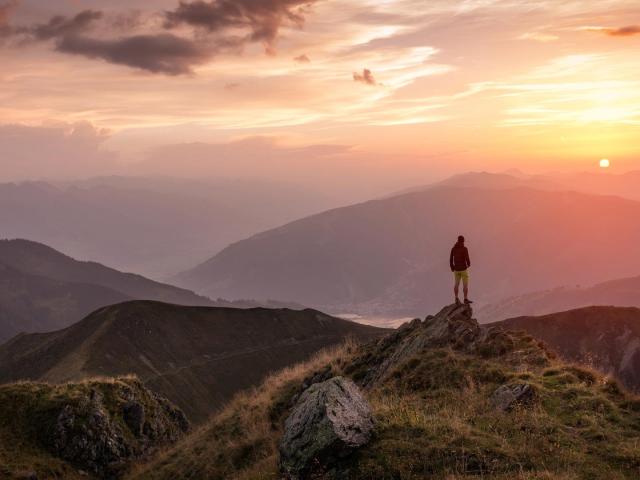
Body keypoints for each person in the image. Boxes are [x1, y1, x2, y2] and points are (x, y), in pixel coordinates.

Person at [450, 235, 472, 305]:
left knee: (456, 284)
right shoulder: (464, 248)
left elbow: (450, 259)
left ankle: (456, 298)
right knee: (465, 285)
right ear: (463, 241)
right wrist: (468, 264)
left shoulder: (453, 249)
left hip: (456, 269)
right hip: (463, 269)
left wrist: (452, 267)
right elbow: (467, 258)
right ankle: (465, 299)